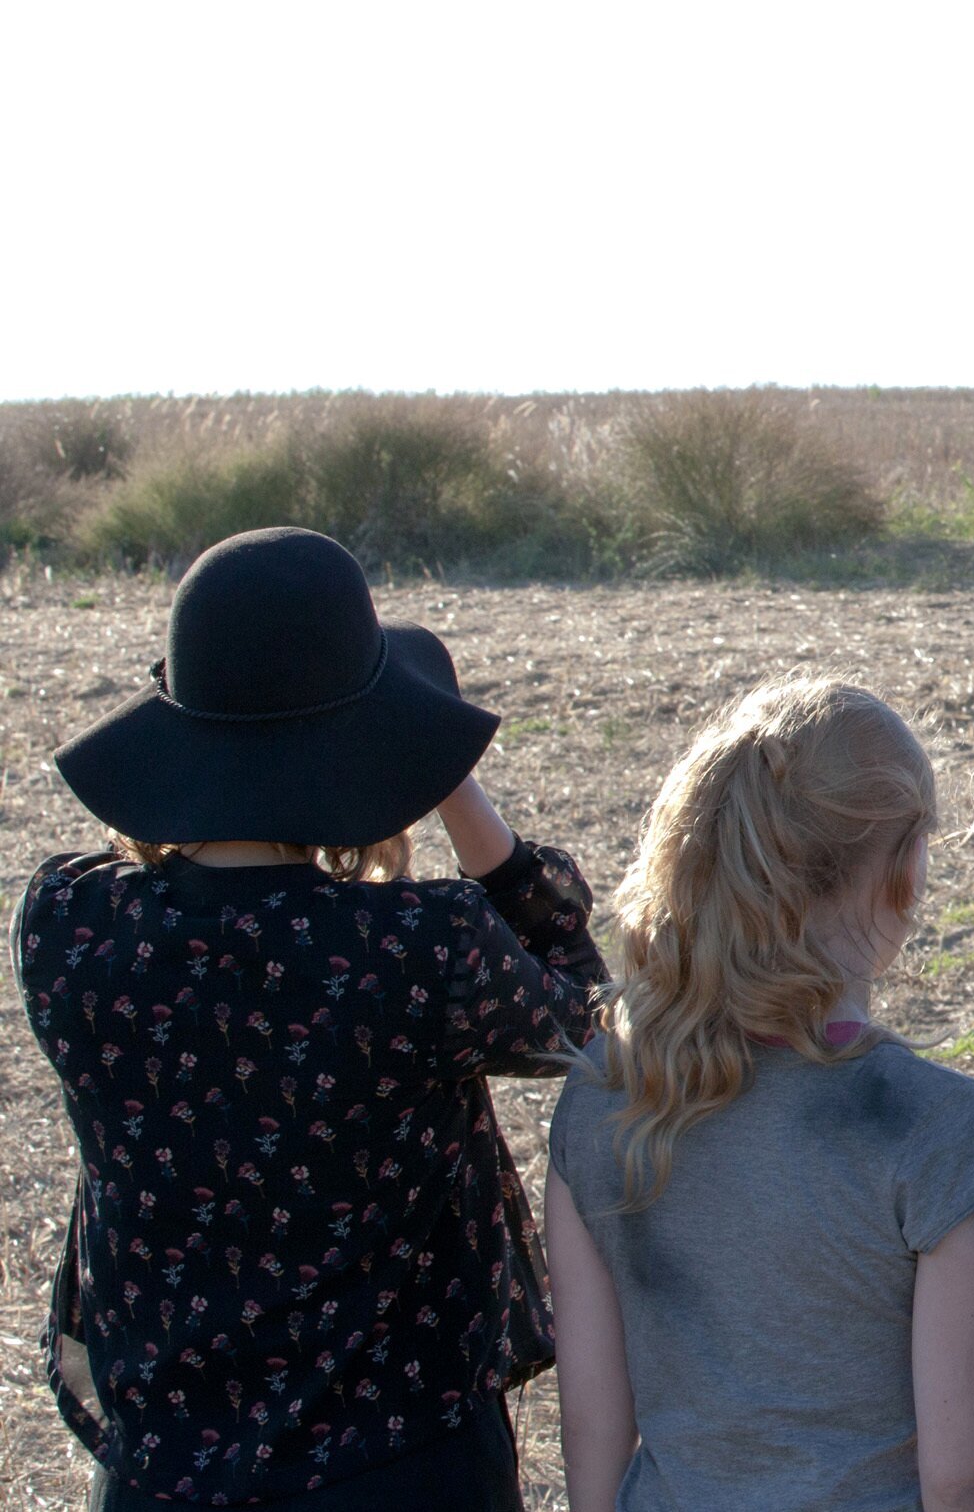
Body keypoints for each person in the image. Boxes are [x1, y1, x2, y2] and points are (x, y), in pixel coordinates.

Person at [16, 526, 605, 1510]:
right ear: (372, 748)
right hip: (407, 1468)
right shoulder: (420, 948)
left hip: (162, 1474)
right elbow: (581, 1012)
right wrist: (446, 776)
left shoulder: (70, 930)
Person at [543, 676, 974, 1512]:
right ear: (905, 868)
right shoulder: (935, 1129)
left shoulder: (603, 1098)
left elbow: (591, 1434)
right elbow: (966, 1478)